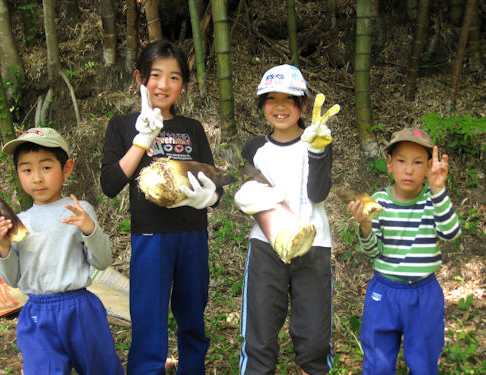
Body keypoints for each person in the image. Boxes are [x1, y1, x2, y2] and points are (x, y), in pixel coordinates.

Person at [100, 39, 222, 375]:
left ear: (183, 84)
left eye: (174, 77)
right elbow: (110, 184)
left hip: (192, 235)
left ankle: (192, 369)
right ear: (140, 78)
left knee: (193, 314)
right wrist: (141, 141)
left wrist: (208, 195)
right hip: (151, 236)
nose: (164, 84)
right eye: (156, 75)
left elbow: (214, 183)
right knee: (149, 317)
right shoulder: (123, 126)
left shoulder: (191, 129)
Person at [0, 127, 123, 375]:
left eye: (46, 167)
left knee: (100, 368)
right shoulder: (20, 221)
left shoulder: (78, 210)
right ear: (18, 173)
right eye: (27, 169)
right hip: (37, 313)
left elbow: (102, 261)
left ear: (67, 168)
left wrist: (89, 230)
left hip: (79, 308)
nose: (37, 178)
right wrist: (4, 246)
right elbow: (12, 279)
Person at [234, 64, 335, 375]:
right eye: (270, 99)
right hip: (266, 246)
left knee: (314, 334)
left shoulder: (317, 139)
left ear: (302, 105)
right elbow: (250, 196)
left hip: (314, 243)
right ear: (262, 105)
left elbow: (318, 194)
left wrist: (318, 152)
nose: (279, 107)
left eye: (289, 100)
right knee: (260, 331)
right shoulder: (255, 149)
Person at [347, 128, 462, 374]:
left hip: (424, 293)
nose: (409, 170)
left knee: (423, 361)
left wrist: (439, 190)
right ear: (389, 165)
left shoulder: (434, 201)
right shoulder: (379, 202)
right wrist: (365, 226)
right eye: (401, 161)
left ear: (430, 167)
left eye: (418, 162)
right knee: (378, 362)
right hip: (384, 292)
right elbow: (374, 252)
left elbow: (451, 233)